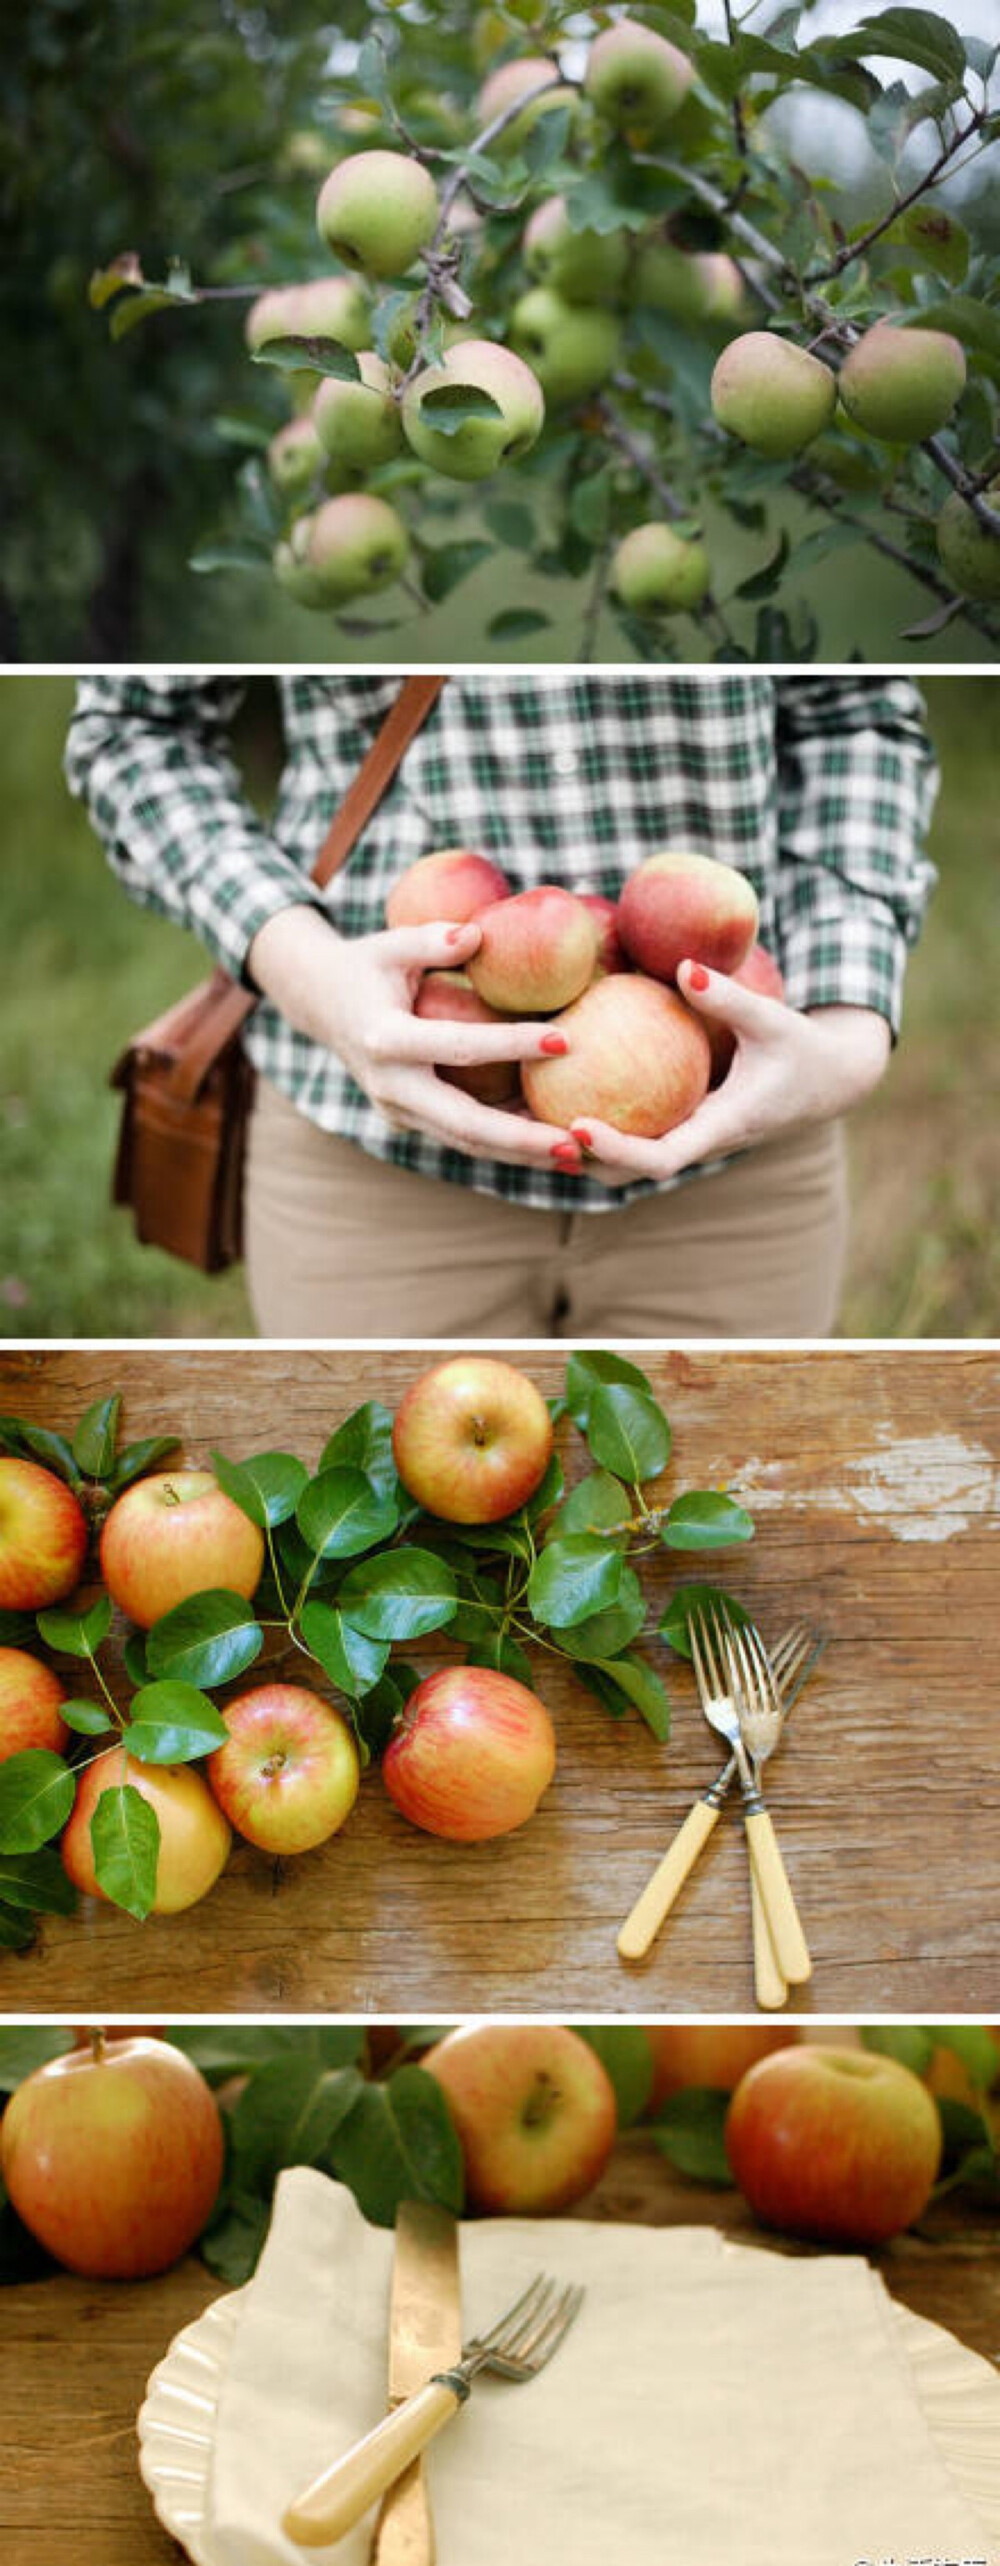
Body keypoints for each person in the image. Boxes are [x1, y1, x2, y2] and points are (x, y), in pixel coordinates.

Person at [66, 671, 937, 1339]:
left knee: (719, 1557)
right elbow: (136, 728)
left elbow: (856, 714)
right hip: (371, 1158)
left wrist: (847, 1035)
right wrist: (314, 975)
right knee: (377, 1557)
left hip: (740, 1157)